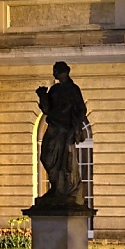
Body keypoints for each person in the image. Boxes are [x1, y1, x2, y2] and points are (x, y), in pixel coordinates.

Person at [36, 61, 89, 202]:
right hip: (53, 128)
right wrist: (42, 96)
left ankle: (60, 190)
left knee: (63, 163)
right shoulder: (54, 90)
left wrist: (76, 127)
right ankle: (55, 189)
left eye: (56, 71)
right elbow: (47, 110)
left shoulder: (73, 90)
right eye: (54, 71)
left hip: (65, 130)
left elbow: (82, 109)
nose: (54, 74)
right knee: (46, 158)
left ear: (65, 72)